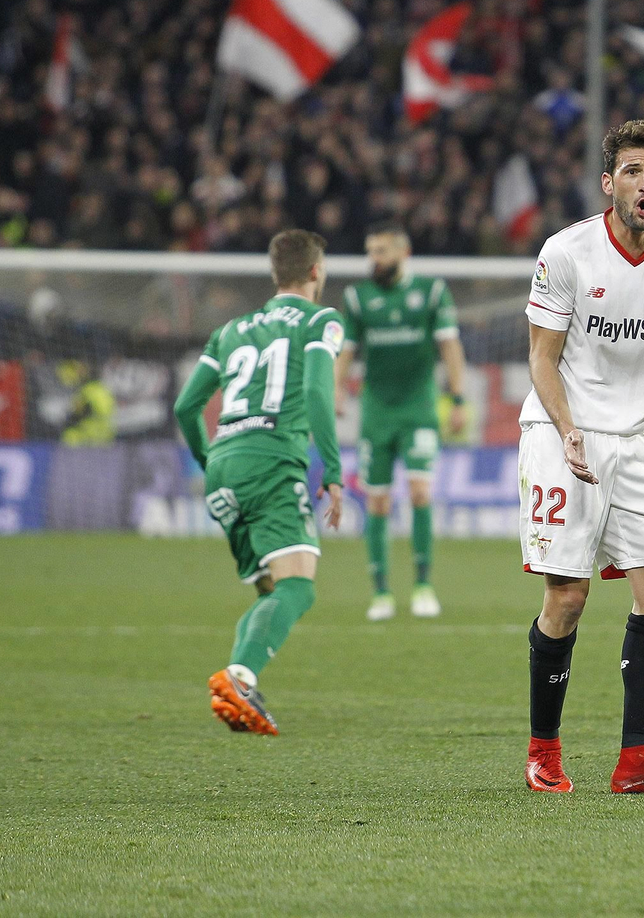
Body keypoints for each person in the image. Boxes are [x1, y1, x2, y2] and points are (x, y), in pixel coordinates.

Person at [519, 120, 644, 795]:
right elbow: (542, 356)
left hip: (638, 441)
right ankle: (544, 749)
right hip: (562, 434)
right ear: (610, 184)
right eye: (633, 171)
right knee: (567, 596)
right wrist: (568, 428)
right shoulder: (567, 252)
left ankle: (638, 761)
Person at [173, 229, 346, 736]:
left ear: (276, 274)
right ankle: (239, 675)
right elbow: (317, 389)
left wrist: (210, 463)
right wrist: (332, 471)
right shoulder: (321, 320)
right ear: (316, 271)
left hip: (224, 460)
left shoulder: (231, 330)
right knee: (298, 586)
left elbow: (186, 406)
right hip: (272, 460)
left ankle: (241, 685)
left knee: (269, 587)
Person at [334, 227, 468, 621]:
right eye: (370, 251)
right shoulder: (357, 298)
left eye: (381, 251)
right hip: (376, 412)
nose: (374, 258)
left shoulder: (430, 292)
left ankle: (423, 585)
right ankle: (380, 592)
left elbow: (450, 346)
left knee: (420, 491)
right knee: (376, 499)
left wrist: (457, 398)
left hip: (419, 409)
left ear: (403, 252)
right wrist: (335, 389)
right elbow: (346, 350)